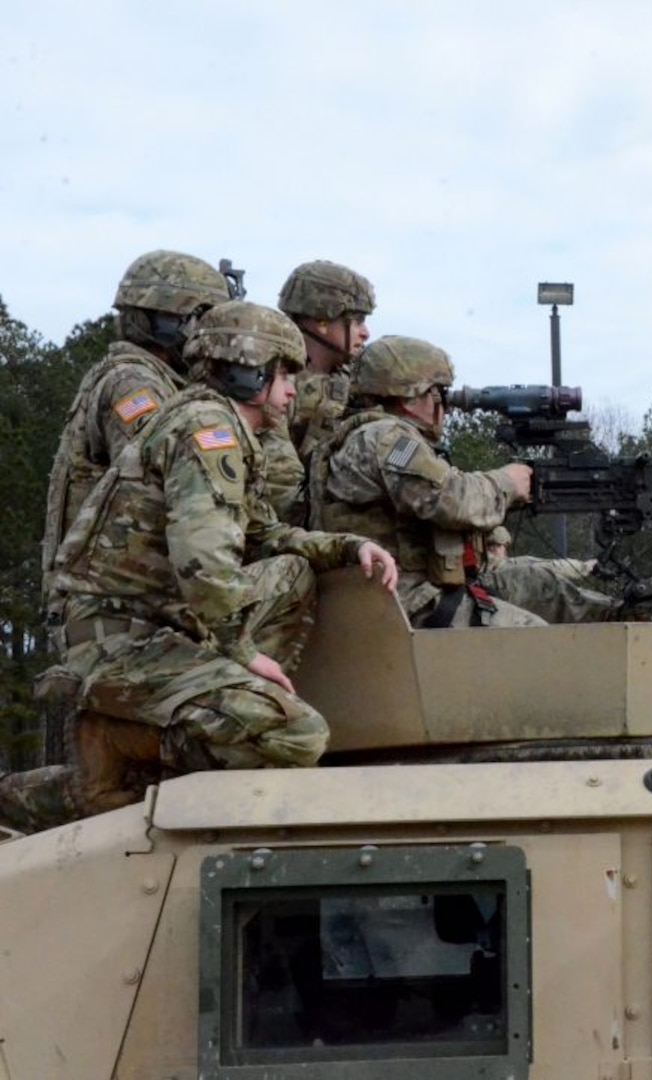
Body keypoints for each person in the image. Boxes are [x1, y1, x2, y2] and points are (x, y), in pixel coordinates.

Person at [4, 301, 400, 833]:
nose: (291, 389)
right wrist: (244, 652)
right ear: (247, 371)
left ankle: (135, 756)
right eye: (284, 373)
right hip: (119, 641)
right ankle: (121, 743)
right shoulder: (207, 430)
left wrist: (347, 548)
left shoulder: (215, 425)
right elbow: (205, 563)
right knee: (297, 734)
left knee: (292, 573)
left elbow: (262, 535)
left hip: (152, 629)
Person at [309, 335, 620, 627]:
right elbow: (450, 499)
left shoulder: (373, 437)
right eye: (440, 393)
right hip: (407, 603)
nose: (445, 406)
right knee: (537, 640)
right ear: (412, 397)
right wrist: (506, 483)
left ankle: (622, 614)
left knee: (540, 586)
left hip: (409, 593)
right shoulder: (390, 440)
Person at [41, 250, 233, 610]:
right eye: (204, 319)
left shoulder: (155, 380)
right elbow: (166, 473)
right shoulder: (134, 385)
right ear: (170, 323)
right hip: (110, 603)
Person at [263, 260, 377, 523]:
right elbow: (281, 490)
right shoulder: (274, 383)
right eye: (357, 320)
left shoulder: (355, 381)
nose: (365, 332)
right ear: (321, 321)